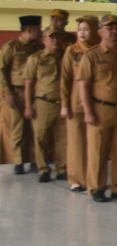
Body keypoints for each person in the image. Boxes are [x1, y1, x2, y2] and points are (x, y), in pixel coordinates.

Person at [76, 13, 117, 202]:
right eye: (109, 28)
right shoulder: (92, 55)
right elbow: (83, 85)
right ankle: (97, 187)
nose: (113, 31)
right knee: (98, 151)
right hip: (101, 109)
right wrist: (88, 111)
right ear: (100, 31)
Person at [60, 15, 99, 192]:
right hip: (76, 104)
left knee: (94, 145)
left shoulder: (99, 50)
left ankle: (92, 178)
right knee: (76, 143)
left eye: (86, 29)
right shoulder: (72, 51)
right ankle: (76, 179)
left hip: (97, 104)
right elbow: (65, 79)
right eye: (80, 29)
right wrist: (65, 104)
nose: (82, 33)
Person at [23, 30, 66, 182]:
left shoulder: (67, 57)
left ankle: (62, 169)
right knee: (41, 137)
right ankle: (43, 169)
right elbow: (28, 84)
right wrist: (28, 106)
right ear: (44, 40)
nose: (55, 40)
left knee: (62, 139)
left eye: (58, 36)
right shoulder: (35, 59)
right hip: (43, 103)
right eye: (51, 37)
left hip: (63, 103)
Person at [1, 15, 43, 173]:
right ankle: (18, 161)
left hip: (35, 92)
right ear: (29, 30)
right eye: (38, 29)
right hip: (16, 92)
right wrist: (8, 93)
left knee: (36, 128)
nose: (40, 32)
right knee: (18, 127)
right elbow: (2, 70)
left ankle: (35, 160)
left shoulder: (39, 47)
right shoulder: (11, 47)